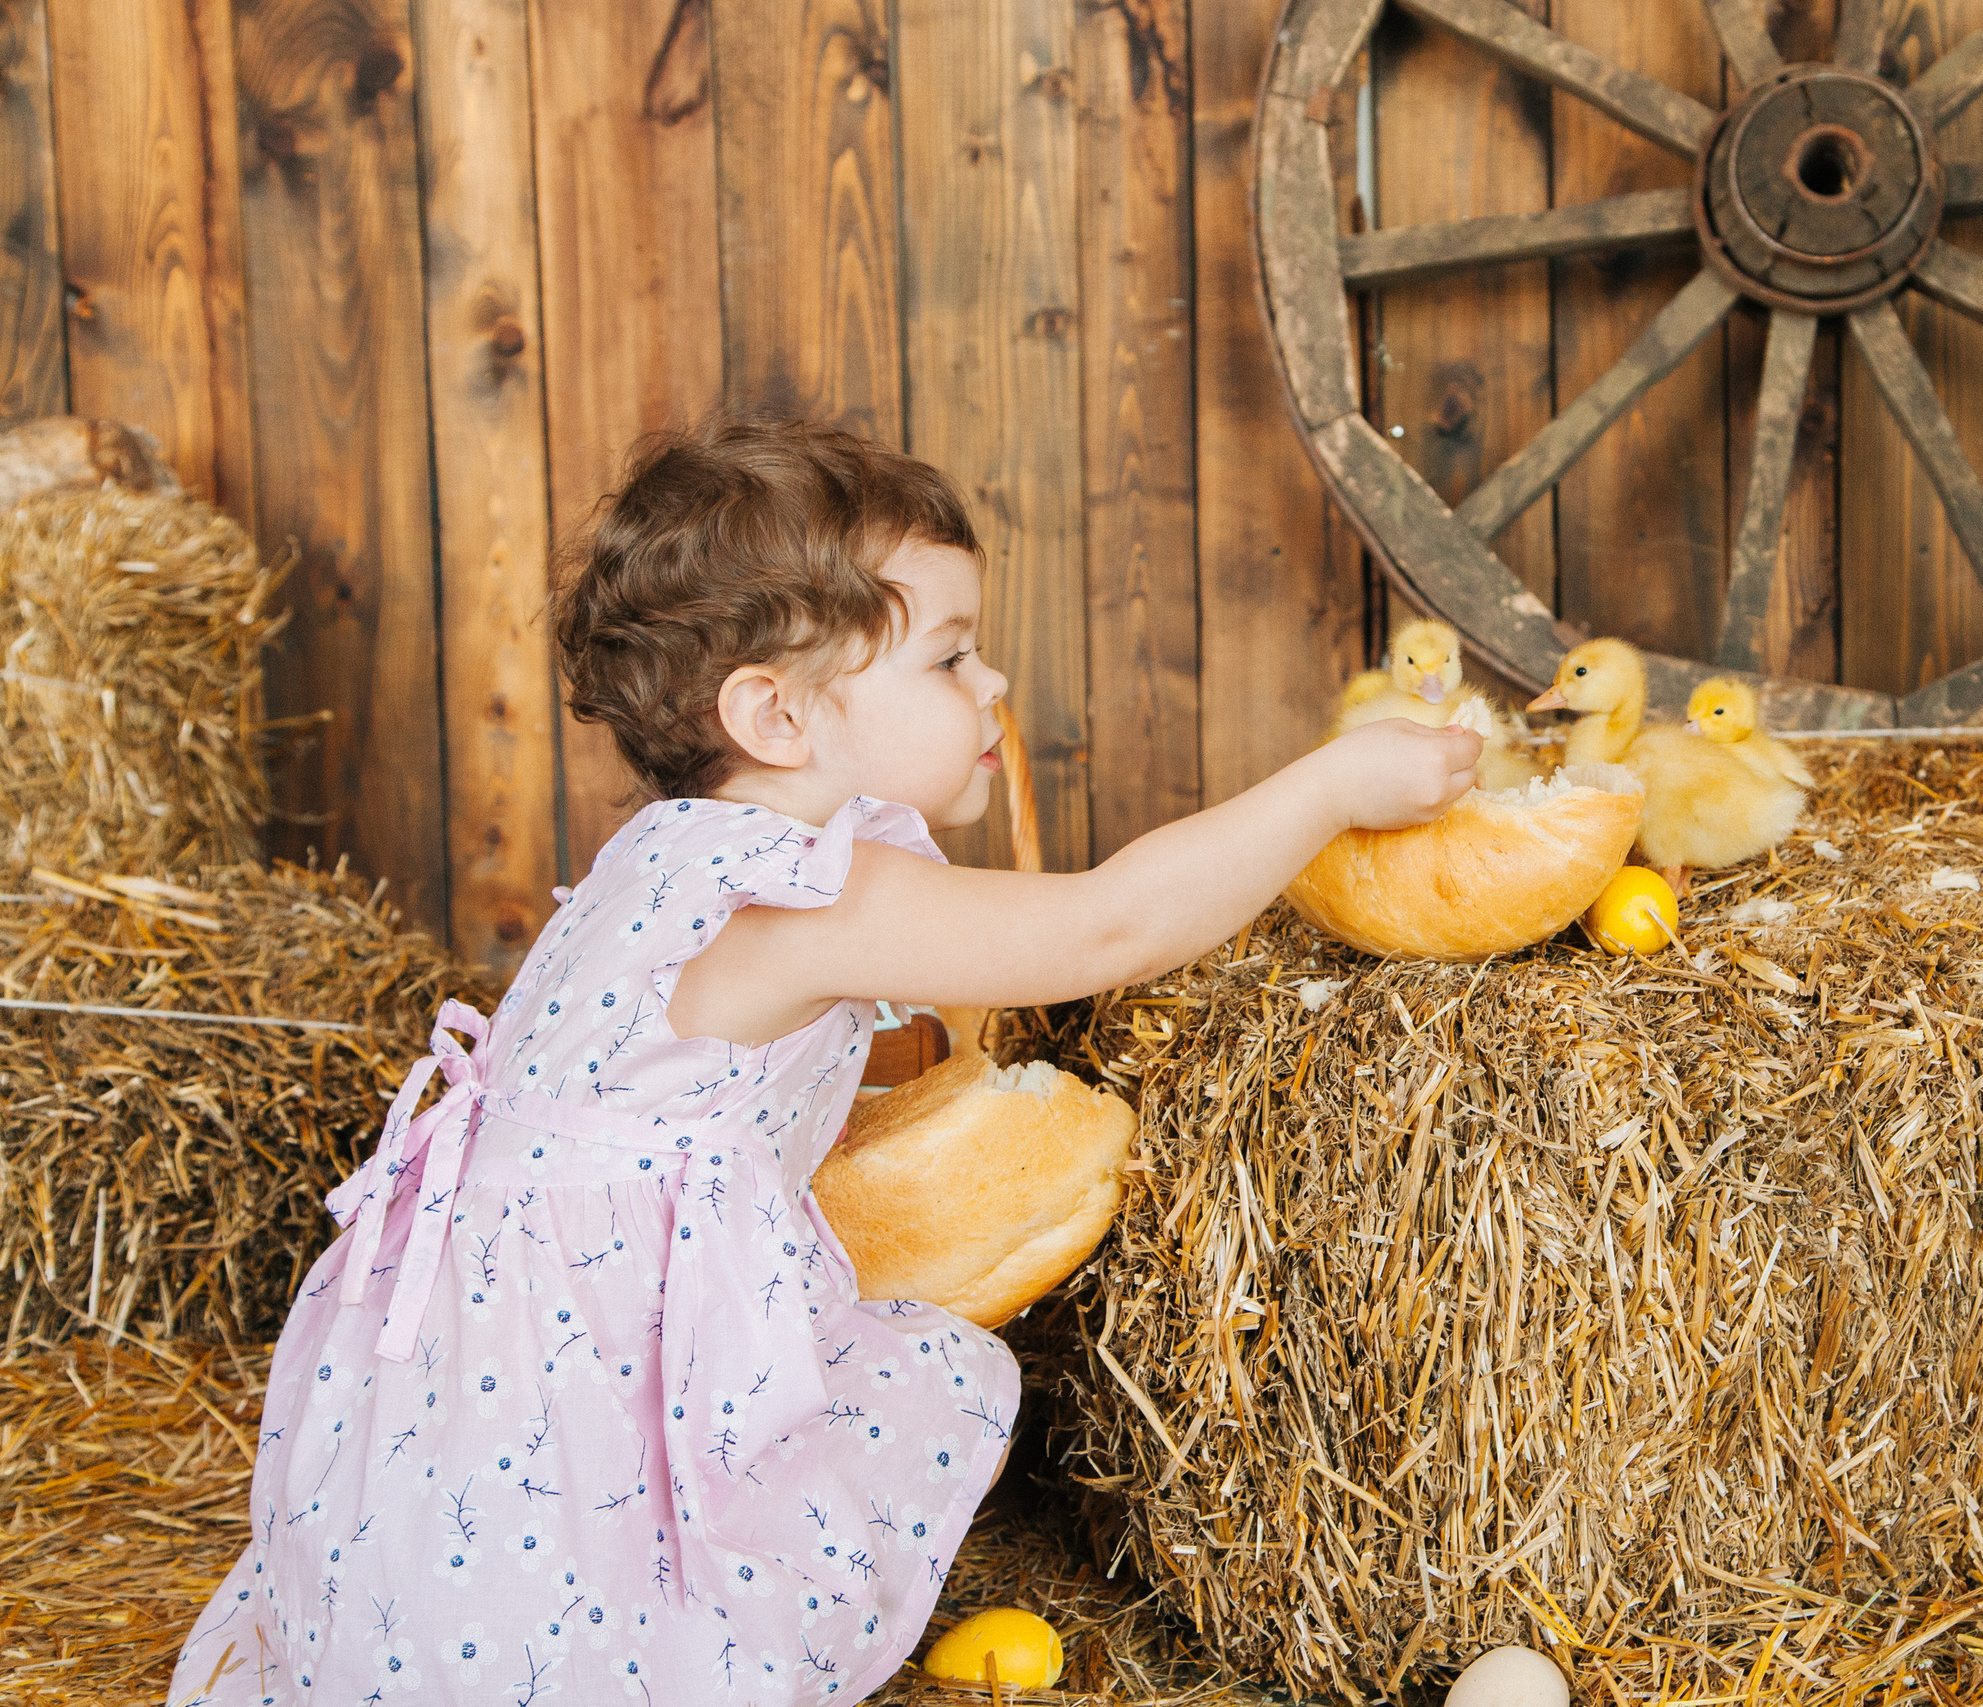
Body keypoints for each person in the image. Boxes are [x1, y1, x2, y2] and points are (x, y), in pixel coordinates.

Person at [167, 418, 1480, 1705]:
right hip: (568, 1371)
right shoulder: (796, 889)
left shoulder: (663, 857)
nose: (995, 689)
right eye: (952, 660)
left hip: (470, 1366)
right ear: (779, 715)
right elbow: (1110, 926)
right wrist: (1326, 790)